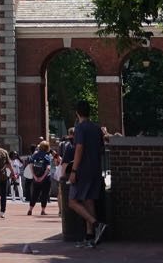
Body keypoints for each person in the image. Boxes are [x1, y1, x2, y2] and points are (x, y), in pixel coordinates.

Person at [64, 100, 109, 248]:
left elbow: (79, 148)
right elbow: (102, 149)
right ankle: (90, 237)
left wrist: (74, 170)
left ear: (77, 113)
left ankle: (97, 224)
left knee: (72, 201)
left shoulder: (79, 128)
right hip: (95, 169)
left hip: (82, 170)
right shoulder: (97, 129)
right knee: (89, 200)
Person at [26, 140, 54, 215]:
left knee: (35, 193)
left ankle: (30, 209)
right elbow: (48, 168)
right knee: (44, 194)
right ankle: (43, 210)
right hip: (45, 179)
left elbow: (30, 165)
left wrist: (34, 176)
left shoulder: (35, 155)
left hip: (36, 177)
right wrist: (43, 177)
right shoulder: (47, 157)